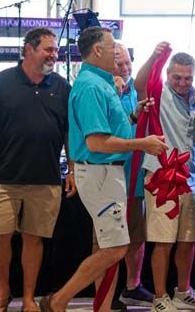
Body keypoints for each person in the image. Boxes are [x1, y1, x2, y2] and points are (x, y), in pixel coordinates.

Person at [40, 26, 167, 312]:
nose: (117, 54)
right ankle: (59, 300)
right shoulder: (91, 87)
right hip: (100, 173)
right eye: (112, 48)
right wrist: (141, 143)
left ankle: (100, 307)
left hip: (108, 173)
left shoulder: (102, 83)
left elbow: (111, 127)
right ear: (97, 50)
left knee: (110, 247)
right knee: (115, 248)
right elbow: (97, 142)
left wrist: (134, 117)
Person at [0, 27, 72, 312]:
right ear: (28, 50)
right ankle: (3, 288)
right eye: (48, 49)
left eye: (55, 50)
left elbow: (70, 134)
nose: (55, 55)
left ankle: (28, 296)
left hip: (46, 178)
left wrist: (72, 170)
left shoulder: (62, 87)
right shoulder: (0, 83)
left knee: (33, 239)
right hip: (4, 178)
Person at [134, 42, 195, 311]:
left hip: (190, 176)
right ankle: (159, 297)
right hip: (161, 176)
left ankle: (182, 291)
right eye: (177, 77)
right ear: (167, 75)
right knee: (163, 240)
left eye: (188, 78)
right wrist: (154, 56)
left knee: (188, 240)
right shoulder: (159, 93)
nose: (182, 82)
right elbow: (139, 83)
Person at [112, 43, 154, 310]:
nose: (125, 68)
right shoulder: (105, 92)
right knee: (110, 240)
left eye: (128, 62)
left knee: (136, 236)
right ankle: (107, 293)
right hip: (111, 179)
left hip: (136, 177)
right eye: (119, 64)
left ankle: (132, 286)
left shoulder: (134, 91)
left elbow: (143, 81)